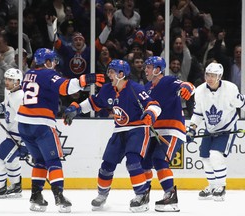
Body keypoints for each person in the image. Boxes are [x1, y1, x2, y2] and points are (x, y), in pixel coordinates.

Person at [63, 59, 162, 213]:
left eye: (112, 71)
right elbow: (94, 102)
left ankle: (142, 195)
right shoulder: (108, 89)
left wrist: (151, 113)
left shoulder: (135, 88)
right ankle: (102, 195)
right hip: (119, 130)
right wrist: (75, 109)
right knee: (106, 165)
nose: (109, 74)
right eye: (109, 71)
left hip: (138, 129)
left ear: (121, 74)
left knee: (133, 162)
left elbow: (154, 104)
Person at [16, 48, 105, 213]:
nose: (55, 64)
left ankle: (36, 196)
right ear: (47, 62)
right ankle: (59, 197)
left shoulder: (28, 73)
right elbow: (65, 88)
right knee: (53, 160)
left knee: (39, 160)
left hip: (23, 124)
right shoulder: (48, 74)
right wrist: (85, 79)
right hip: (41, 124)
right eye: (53, 61)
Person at [141, 56, 195, 212]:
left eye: (149, 67)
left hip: (172, 129)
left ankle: (171, 196)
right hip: (154, 131)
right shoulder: (146, 87)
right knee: (143, 163)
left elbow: (187, 85)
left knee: (159, 159)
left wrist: (188, 89)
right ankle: (143, 194)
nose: (146, 69)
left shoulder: (169, 81)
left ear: (158, 69)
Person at [186, 62, 244, 201]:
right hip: (210, 129)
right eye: (208, 75)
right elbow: (198, 113)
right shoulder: (199, 91)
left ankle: (221, 187)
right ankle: (212, 186)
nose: (210, 78)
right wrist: (192, 129)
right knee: (205, 157)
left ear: (220, 76)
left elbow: (242, 104)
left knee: (215, 155)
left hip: (227, 128)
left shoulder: (230, 89)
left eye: (214, 75)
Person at [0, 68, 27, 198]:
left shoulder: (21, 97)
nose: (7, 82)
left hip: (18, 137)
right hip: (12, 135)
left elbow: (27, 119)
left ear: (18, 81)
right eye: (6, 79)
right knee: (11, 161)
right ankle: (16, 186)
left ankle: (0, 188)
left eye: (10, 80)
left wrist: (26, 142)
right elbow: (7, 104)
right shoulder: (9, 91)